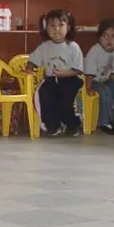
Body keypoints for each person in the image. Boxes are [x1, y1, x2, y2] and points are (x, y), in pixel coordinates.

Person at [27, 9, 83, 137]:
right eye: (52, 26)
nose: (56, 29)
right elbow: (33, 60)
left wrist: (64, 73)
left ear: (68, 27)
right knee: (44, 94)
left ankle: (73, 125)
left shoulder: (73, 47)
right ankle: (53, 125)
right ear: (46, 28)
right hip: (51, 79)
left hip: (71, 78)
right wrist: (30, 67)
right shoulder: (44, 46)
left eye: (61, 25)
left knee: (65, 98)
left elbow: (78, 69)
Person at [84, 18, 114, 135]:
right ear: (99, 37)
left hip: (106, 79)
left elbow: (113, 74)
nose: (109, 40)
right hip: (93, 80)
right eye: (105, 36)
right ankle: (105, 122)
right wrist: (88, 88)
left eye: (113, 36)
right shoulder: (95, 51)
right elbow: (89, 73)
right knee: (105, 92)